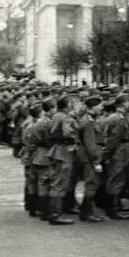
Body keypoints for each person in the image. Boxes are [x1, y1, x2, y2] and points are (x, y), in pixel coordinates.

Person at [46, 96, 78, 225]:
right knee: (59, 184)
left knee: (56, 182)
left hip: (56, 150)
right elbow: (68, 133)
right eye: (72, 102)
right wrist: (75, 137)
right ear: (67, 104)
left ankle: (55, 212)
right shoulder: (65, 117)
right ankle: (56, 215)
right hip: (64, 151)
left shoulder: (56, 115)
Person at [74, 95, 105, 222]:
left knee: (92, 184)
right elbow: (90, 144)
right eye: (99, 106)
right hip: (89, 158)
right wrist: (96, 161)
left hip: (89, 156)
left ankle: (86, 212)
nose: (101, 108)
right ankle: (87, 213)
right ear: (93, 107)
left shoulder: (89, 119)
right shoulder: (88, 122)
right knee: (91, 184)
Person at [100, 97, 129, 219]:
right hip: (117, 151)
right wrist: (108, 154)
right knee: (116, 178)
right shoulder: (117, 118)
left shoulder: (119, 116)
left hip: (120, 149)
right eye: (128, 101)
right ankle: (112, 209)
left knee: (117, 178)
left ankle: (113, 207)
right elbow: (113, 139)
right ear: (123, 104)